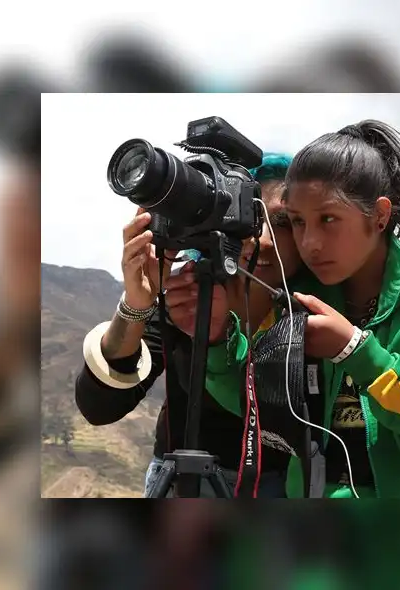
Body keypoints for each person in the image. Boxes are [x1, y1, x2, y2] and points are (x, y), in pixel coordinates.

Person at [207, 120, 400, 498]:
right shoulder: (300, 293)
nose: (310, 243)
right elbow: (259, 401)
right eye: (298, 223)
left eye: (329, 219)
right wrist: (216, 338)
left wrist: (355, 350)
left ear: (380, 216)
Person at [74, 152, 302, 498]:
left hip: (274, 485)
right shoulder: (188, 293)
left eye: (284, 223)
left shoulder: (310, 307)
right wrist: (138, 302)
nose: (265, 240)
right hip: (179, 481)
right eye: (251, 219)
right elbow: (99, 407)